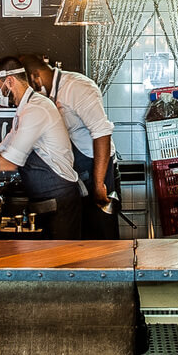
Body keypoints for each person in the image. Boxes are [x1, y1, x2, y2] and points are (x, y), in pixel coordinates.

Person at [0, 57, 81, 239]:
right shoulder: (24, 110)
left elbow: (8, 163)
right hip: (45, 201)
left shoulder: (37, 109)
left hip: (59, 203)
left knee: (60, 264)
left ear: (10, 81)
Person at [20, 54, 120, 240]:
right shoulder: (46, 96)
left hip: (96, 167)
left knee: (100, 234)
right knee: (80, 234)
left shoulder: (77, 87)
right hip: (75, 171)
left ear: (35, 77)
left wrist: (99, 184)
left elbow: (102, 133)